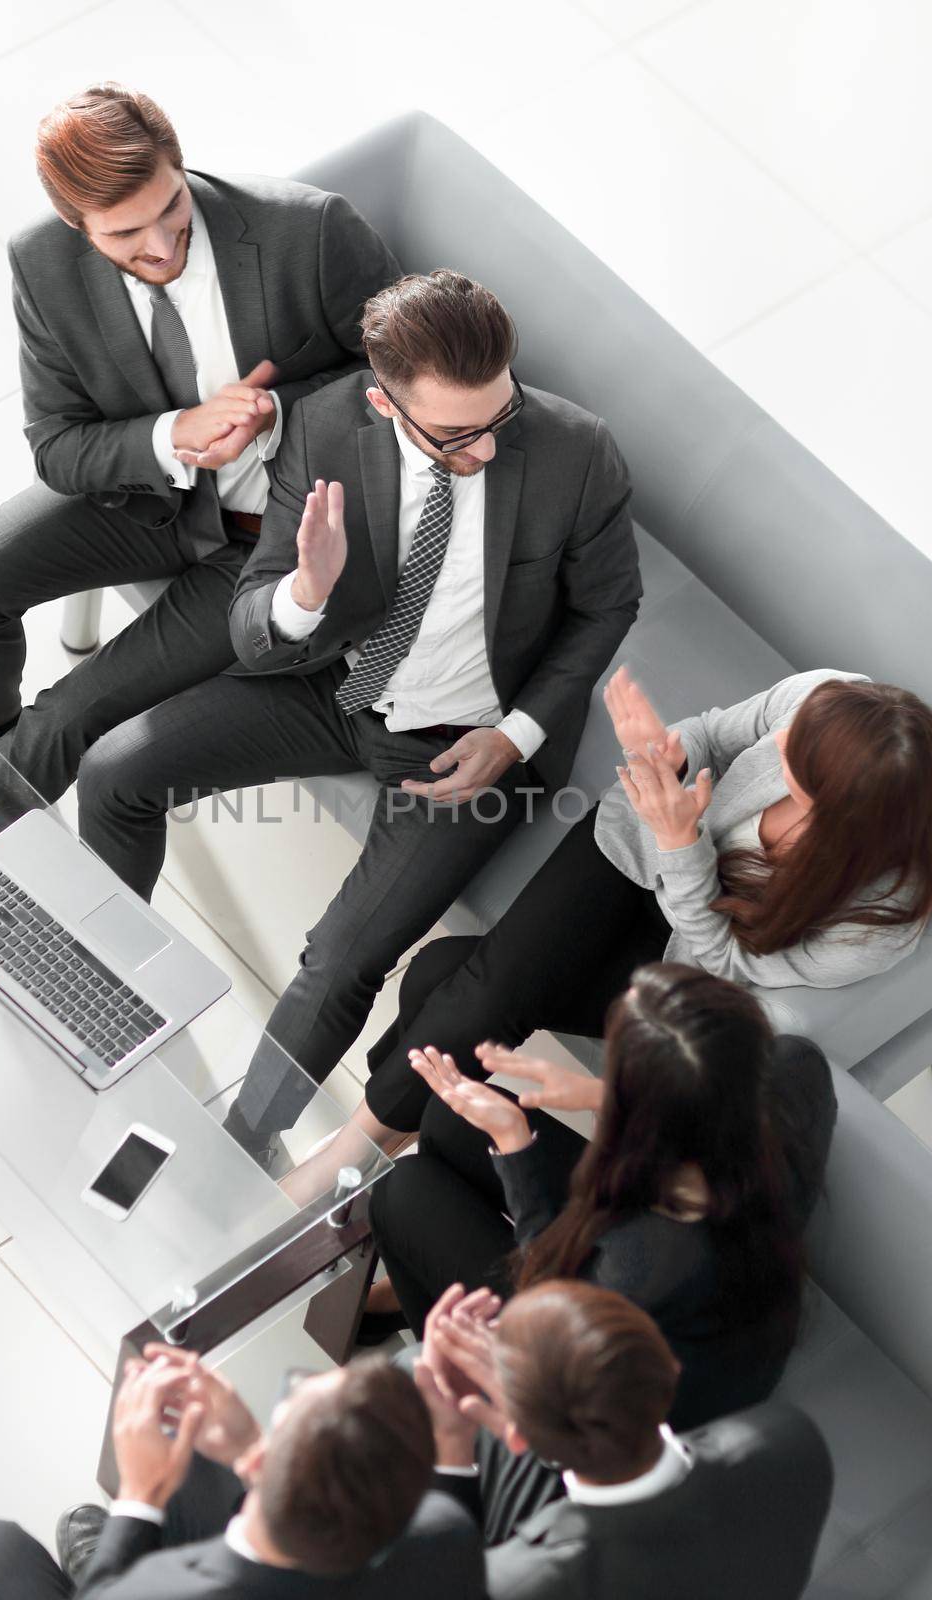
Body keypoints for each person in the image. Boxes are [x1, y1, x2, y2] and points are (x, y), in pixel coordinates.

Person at [77, 269, 642, 1162]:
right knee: (113, 772)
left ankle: (240, 1146)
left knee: (338, 960)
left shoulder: (577, 452)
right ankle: (102, 993)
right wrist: (305, 591)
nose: (489, 447)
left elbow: (606, 607)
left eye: (501, 416)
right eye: (457, 434)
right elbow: (256, 625)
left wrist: (515, 736)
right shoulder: (328, 424)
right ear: (384, 404)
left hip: (468, 741)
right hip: (331, 685)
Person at [0, 81, 400, 803]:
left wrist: (277, 411)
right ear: (72, 222)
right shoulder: (42, 260)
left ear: (181, 168)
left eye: (171, 209)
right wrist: (169, 436)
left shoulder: (307, 231)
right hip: (146, 499)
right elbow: (56, 445)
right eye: (122, 235)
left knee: (66, 718)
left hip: (270, 538)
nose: (160, 246)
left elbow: (409, 378)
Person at [355, 664, 932, 1141]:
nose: (783, 737)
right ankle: (366, 1149)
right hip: (630, 845)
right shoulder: (827, 697)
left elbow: (724, 959)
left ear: (834, 810)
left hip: (682, 954)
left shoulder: (875, 922)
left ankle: (351, 1161)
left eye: (795, 759)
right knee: (466, 985)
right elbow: (717, 732)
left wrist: (681, 842)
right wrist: (673, 755)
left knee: (446, 979)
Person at [368, 963, 838, 1428]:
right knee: (449, 1122)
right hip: (696, 1268)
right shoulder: (794, 1067)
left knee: (399, 1193)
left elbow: (551, 1305)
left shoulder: (643, 1263)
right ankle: (430, 1282)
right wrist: (601, 1096)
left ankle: (455, 1372)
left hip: (610, 1378)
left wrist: (514, 1142)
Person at [0, 1344, 484, 1600]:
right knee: (190, 1455)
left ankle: (105, 1560)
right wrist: (245, 1445)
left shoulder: (164, 1592)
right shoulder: (445, 1534)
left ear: (261, 1466)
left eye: (284, 1406)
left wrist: (140, 1496)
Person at [414, 1278, 833, 1600]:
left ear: (519, 1440)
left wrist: (451, 1440)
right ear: (669, 1364)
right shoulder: (789, 1440)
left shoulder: (518, 1583)